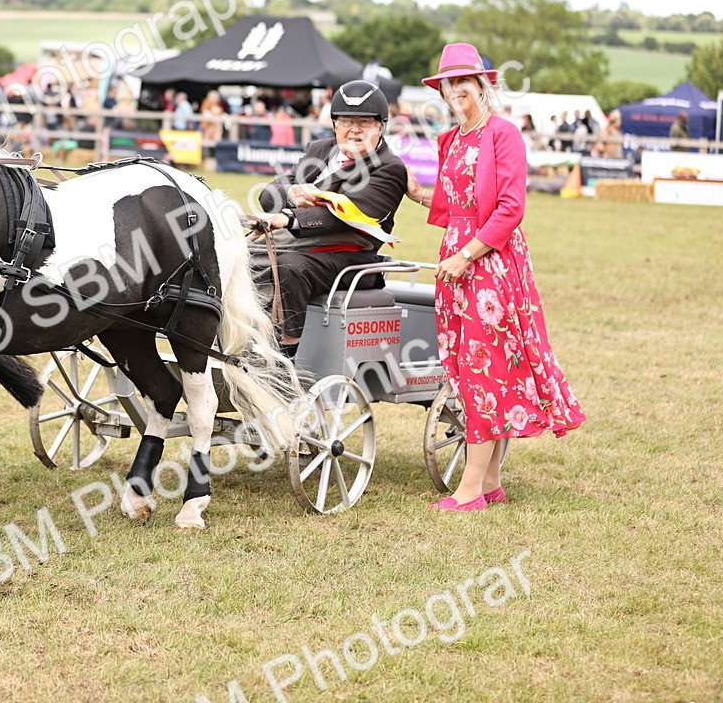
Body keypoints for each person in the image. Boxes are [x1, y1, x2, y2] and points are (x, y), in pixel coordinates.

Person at [404, 43, 585, 511]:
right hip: (455, 261)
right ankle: (490, 482)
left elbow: (510, 209)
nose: (455, 90)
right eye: (448, 84)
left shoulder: (502, 135)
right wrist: (417, 192)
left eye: (463, 82)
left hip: (490, 262)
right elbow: (452, 207)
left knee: (486, 370)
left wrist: (466, 256)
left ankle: (469, 492)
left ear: (483, 85)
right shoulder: (451, 140)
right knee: (469, 369)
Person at [251, 80, 408, 356]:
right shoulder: (319, 151)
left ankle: (282, 362)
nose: (355, 129)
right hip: (294, 242)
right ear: (334, 124)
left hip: (348, 254)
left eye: (365, 122)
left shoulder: (390, 168)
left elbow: (347, 215)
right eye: (347, 120)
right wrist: (292, 192)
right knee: (233, 256)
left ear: (381, 126)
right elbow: (269, 193)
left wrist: (288, 218)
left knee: (290, 268)